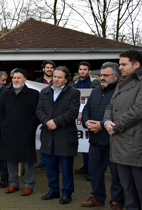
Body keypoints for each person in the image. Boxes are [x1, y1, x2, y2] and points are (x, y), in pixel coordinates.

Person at [80, 62, 124, 209]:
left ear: (116, 77)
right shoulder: (96, 91)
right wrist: (87, 123)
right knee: (94, 171)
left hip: (113, 141)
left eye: (106, 75)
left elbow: (121, 116)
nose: (102, 78)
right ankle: (97, 197)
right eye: (101, 75)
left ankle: (117, 201)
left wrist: (101, 125)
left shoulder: (121, 92)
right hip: (95, 140)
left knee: (116, 175)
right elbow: (86, 110)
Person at [103, 50, 142, 210]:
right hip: (119, 143)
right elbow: (111, 105)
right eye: (119, 64)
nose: (120, 68)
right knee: (127, 187)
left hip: (135, 143)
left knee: (138, 186)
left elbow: (138, 109)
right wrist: (106, 122)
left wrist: (116, 126)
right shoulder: (123, 82)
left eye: (124, 64)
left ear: (137, 64)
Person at [36, 66, 80, 204]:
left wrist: (55, 122)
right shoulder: (44, 92)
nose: (56, 79)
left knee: (66, 168)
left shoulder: (73, 93)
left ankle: (67, 193)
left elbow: (72, 112)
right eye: (54, 76)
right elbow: (39, 110)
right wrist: (46, 121)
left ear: (66, 79)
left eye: (60, 77)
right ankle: (53, 190)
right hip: (48, 135)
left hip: (65, 135)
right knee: (50, 166)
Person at [0, 68, 39, 196]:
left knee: (27, 159)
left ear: (25, 79)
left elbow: (37, 114)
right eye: (14, 78)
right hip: (8, 132)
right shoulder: (5, 94)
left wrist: (31, 126)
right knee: (10, 158)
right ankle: (13, 183)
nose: (16, 80)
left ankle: (29, 185)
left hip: (26, 132)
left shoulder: (33, 94)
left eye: (19, 78)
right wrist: (4, 126)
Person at [70, 61, 100, 180]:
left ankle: (90, 169)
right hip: (77, 115)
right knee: (82, 143)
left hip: (90, 115)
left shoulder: (95, 83)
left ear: (89, 71)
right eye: (81, 69)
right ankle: (85, 166)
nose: (82, 71)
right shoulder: (75, 82)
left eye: (85, 69)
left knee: (89, 144)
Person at [34, 60, 56, 171]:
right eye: (47, 67)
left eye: (51, 67)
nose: (49, 69)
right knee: (43, 138)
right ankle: (43, 161)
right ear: (43, 69)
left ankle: (57, 163)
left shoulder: (56, 81)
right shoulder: (37, 82)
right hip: (42, 114)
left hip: (56, 113)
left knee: (57, 141)